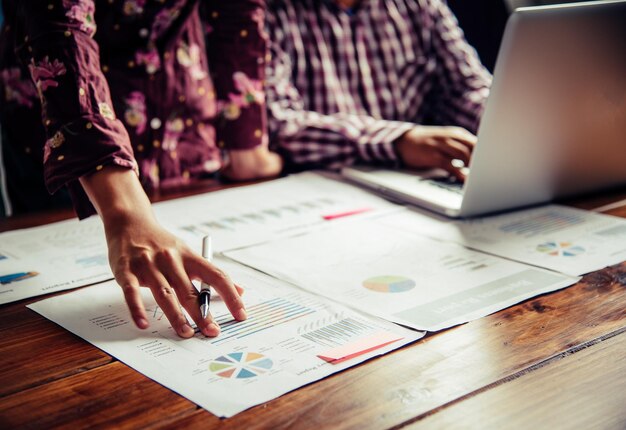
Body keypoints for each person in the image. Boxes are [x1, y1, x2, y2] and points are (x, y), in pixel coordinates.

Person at [0, 1, 282, 337]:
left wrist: (245, 142)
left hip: (180, 122)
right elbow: (62, 28)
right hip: (71, 137)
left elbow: (237, 15)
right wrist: (125, 213)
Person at [265, 0, 492, 180]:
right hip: (320, 185)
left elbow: (467, 90)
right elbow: (279, 125)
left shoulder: (421, 6)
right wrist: (398, 141)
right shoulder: (265, 13)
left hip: (415, 180)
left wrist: (507, 123)